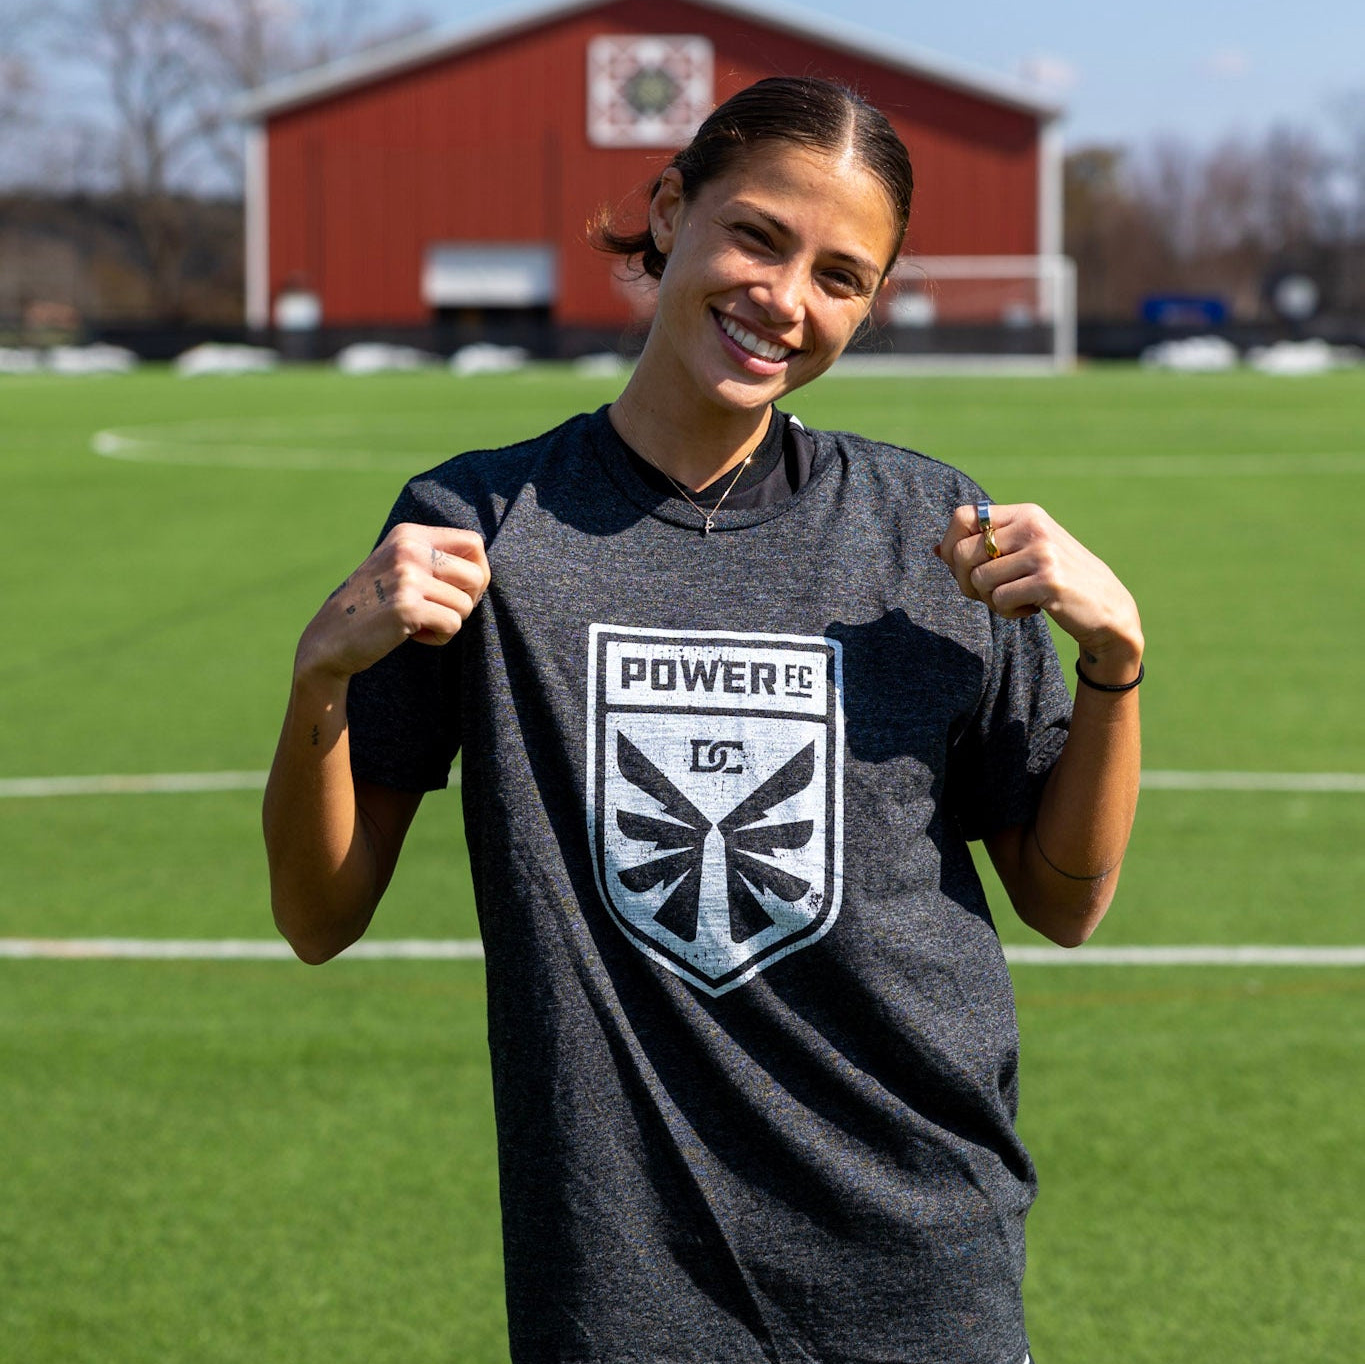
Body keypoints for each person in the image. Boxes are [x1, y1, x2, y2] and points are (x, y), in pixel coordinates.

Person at [263, 76, 1143, 1364]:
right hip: (624, 1287)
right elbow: (317, 916)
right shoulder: (480, 531)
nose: (785, 299)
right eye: (757, 237)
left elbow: (1065, 904)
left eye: (840, 277)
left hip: (919, 1266)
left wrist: (1114, 663)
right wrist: (320, 682)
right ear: (671, 212)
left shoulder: (931, 535)